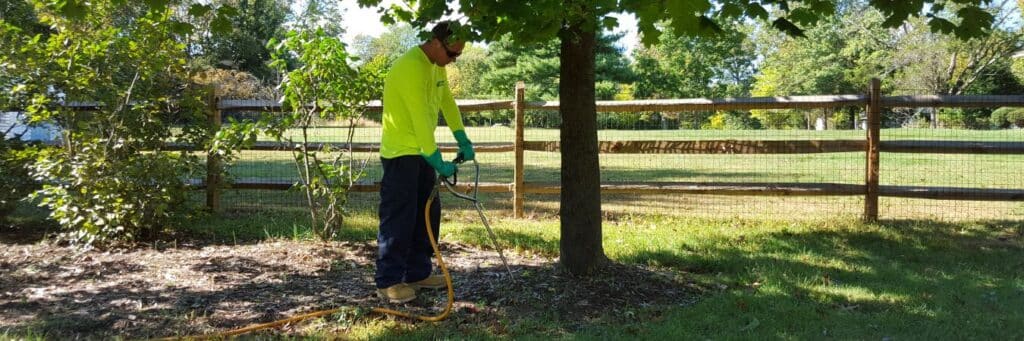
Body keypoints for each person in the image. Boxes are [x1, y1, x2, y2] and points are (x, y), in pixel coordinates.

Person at [375, 21, 474, 303]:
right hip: (400, 154)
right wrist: (438, 160)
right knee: (399, 217)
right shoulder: (410, 68)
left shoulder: (435, 67)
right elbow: (420, 119)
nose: (453, 61)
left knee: (427, 214)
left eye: (457, 57)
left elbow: (447, 103)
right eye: (451, 54)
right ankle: (388, 281)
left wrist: (462, 138)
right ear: (434, 42)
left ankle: (418, 273)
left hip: (421, 152)